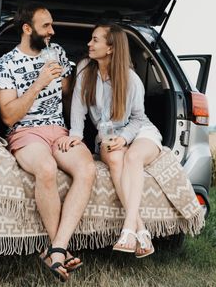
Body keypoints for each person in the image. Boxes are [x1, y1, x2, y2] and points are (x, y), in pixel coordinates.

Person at [0, 2, 96, 282]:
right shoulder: (7, 64)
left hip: (59, 130)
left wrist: (74, 79)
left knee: (87, 170)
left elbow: (68, 98)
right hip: (26, 131)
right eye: (46, 26)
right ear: (27, 29)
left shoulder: (58, 52)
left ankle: (56, 249)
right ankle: (59, 250)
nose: (52, 30)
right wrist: (38, 83)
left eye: (52, 24)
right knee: (47, 169)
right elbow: (8, 116)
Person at [58, 23, 162, 258]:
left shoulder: (131, 80)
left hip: (140, 131)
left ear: (111, 48)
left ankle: (128, 229)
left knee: (133, 157)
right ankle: (142, 230)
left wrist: (125, 139)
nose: (89, 44)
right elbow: (78, 107)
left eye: (95, 40)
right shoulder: (85, 68)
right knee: (115, 161)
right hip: (107, 134)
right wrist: (75, 134)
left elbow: (137, 119)